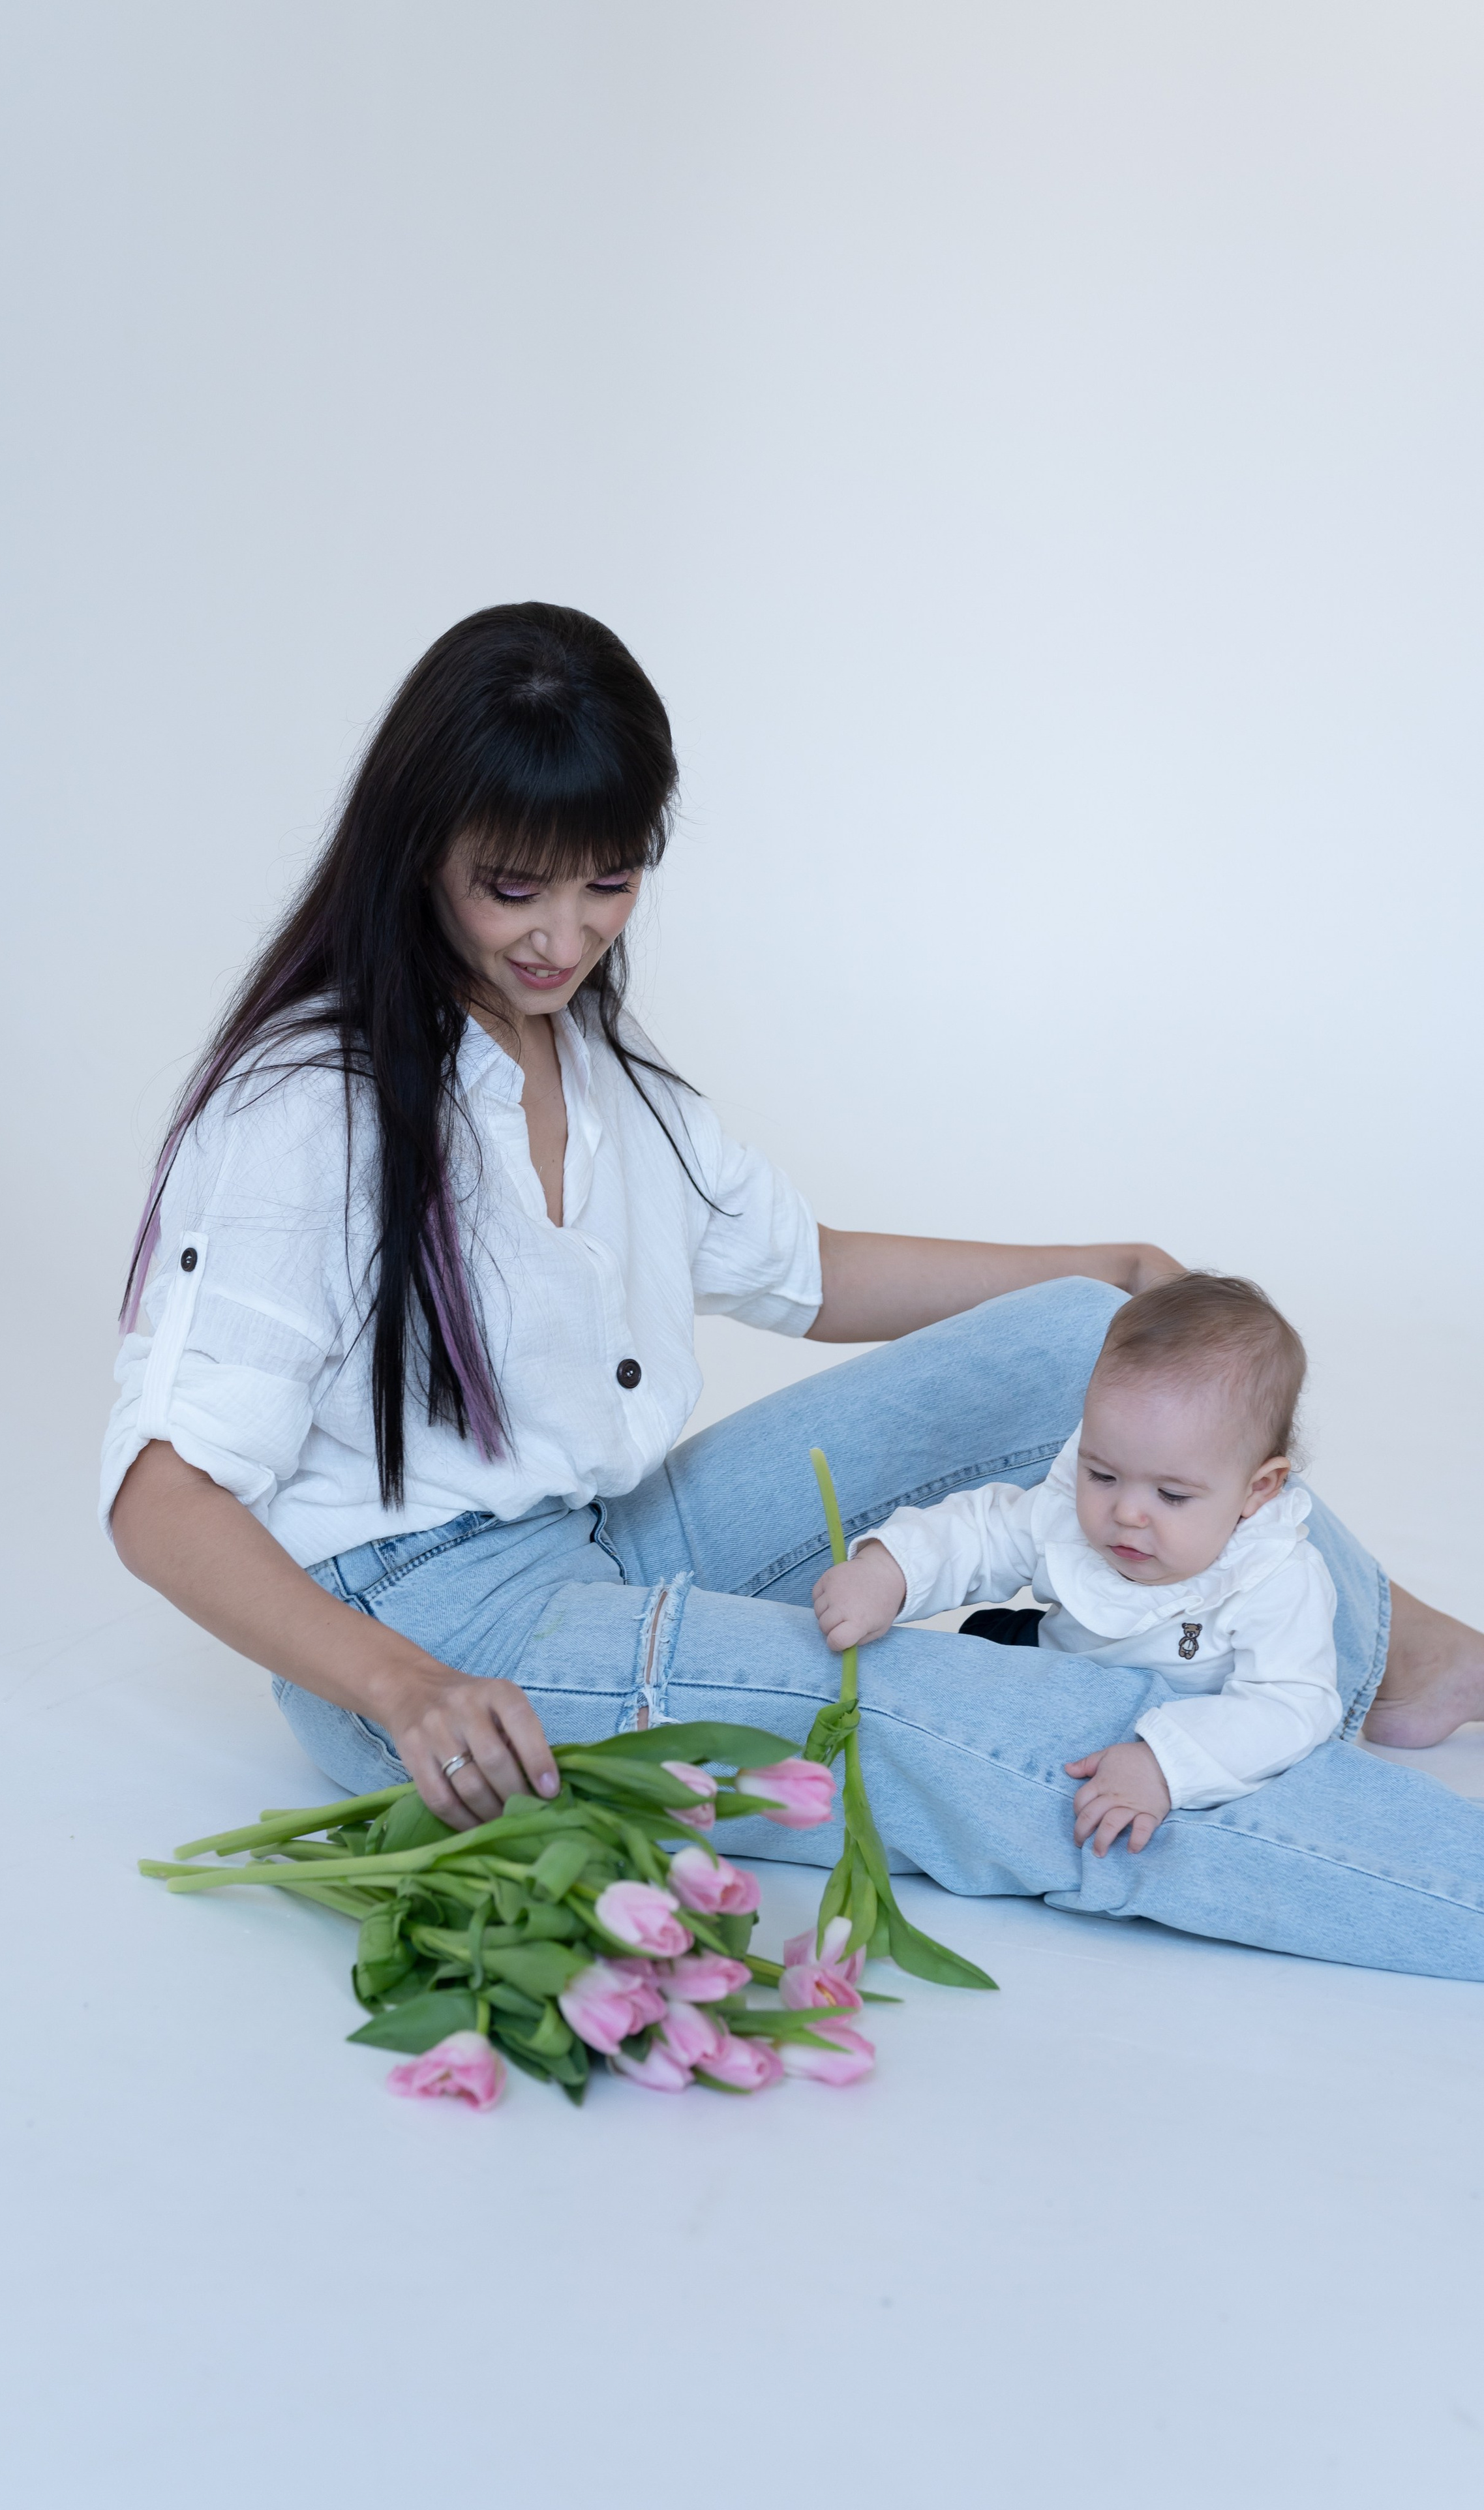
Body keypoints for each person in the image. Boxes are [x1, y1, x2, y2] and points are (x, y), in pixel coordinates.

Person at [105, 601, 1484, 1981]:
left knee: (1080, 1343)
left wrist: (1100, 1270)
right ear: (417, 857)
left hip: (593, 1541)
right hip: (432, 1645)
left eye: (609, 882)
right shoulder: (307, 1112)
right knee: (1045, 1740)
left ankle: (1399, 1664)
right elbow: (161, 1500)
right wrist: (402, 1686)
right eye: (512, 886)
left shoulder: (581, 1057)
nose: (563, 937)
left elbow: (800, 1267)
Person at [812, 1273, 1339, 1855]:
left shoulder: (1277, 1578)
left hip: (1180, 1726)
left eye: (1172, 1496)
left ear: (1257, 1490)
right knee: (961, 1657)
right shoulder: (1072, 1510)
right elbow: (985, 1532)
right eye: (1104, 1475)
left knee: (1268, 1791)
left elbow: (1287, 1707)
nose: (1127, 1514)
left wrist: (1166, 1763)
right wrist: (892, 1570)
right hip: (1051, 1673)